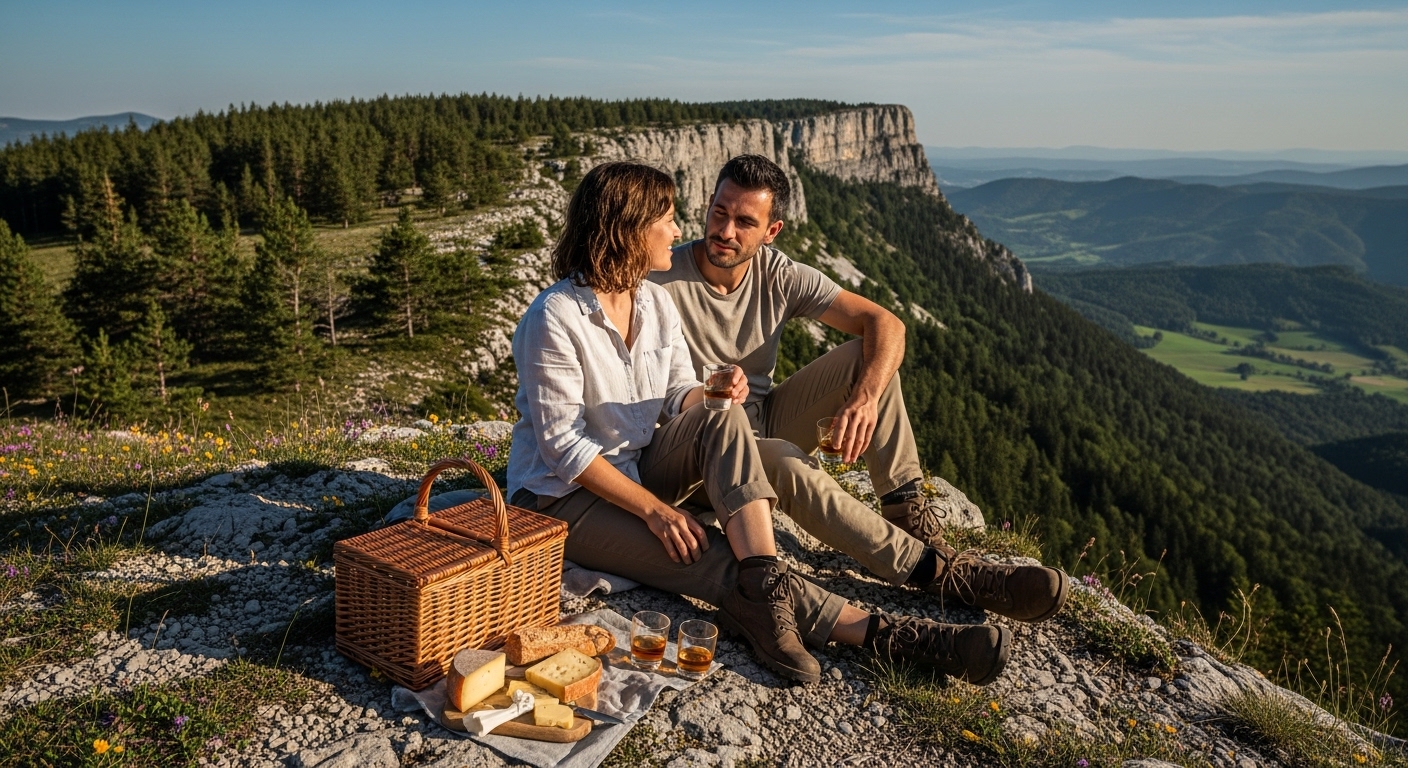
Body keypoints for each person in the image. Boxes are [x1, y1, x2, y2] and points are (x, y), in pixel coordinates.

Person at [507, 161, 1012, 685]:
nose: (682, 229)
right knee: (720, 562)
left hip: (637, 468)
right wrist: (656, 512)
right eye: (668, 217)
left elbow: (677, 395)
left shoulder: (653, 302)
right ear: (629, 228)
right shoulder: (555, 316)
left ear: (771, 231)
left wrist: (711, 394)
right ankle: (897, 636)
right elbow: (564, 447)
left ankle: (772, 591)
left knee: (723, 421)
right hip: (559, 501)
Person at [650, 155, 1069, 622]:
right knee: (784, 462)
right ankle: (944, 575)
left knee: (866, 359)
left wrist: (866, 397)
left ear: (772, 232)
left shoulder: (779, 274)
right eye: (720, 213)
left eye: (745, 222)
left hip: (763, 420)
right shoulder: (659, 280)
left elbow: (886, 323)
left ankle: (908, 514)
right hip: (701, 455)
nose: (725, 231)